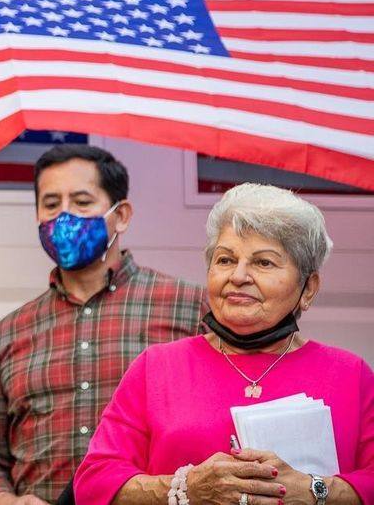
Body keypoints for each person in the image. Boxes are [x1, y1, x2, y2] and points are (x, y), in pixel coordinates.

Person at [75, 183, 374, 505]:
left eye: (264, 263)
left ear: (309, 287)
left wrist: (316, 490)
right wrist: (185, 488)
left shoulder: (349, 373)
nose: (239, 276)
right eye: (226, 260)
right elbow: (93, 482)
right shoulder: (157, 367)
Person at [0, 144, 207, 504]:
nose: (64, 216)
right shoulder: (10, 332)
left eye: (81, 201)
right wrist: (5, 501)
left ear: (121, 215)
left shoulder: (190, 307)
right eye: (50, 204)